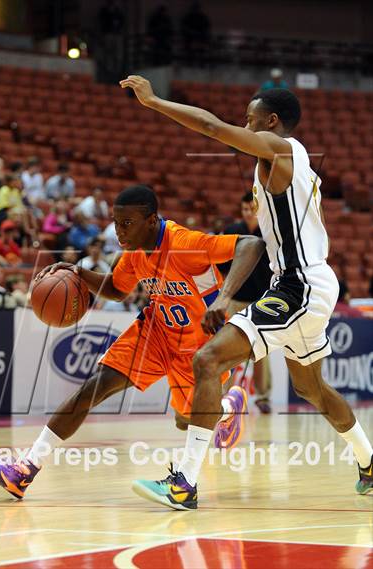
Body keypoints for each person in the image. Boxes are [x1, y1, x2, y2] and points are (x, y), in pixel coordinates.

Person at [119, 75, 373, 507]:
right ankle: (369, 462)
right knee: (313, 389)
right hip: (301, 283)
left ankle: (184, 482)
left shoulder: (284, 150)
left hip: (300, 284)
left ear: (272, 122)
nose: (244, 125)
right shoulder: (278, 165)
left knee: (207, 358)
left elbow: (213, 128)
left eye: (250, 120)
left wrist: (155, 101)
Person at [0, 185, 264, 499]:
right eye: (116, 223)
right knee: (95, 387)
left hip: (198, 342)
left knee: (188, 420)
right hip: (157, 332)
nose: (119, 231)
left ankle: (227, 409)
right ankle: (26, 468)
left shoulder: (185, 243)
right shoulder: (134, 254)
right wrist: (78, 273)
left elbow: (252, 245)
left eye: (127, 223)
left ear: (151, 220)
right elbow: (117, 289)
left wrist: (224, 300)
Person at [220, 192, 273, 413]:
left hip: (262, 302)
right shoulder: (232, 232)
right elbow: (221, 265)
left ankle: (263, 396)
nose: (248, 213)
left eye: (252, 208)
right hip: (234, 300)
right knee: (227, 350)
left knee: (261, 351)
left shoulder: (269, 233)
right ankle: (224, 398)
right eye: (244, 209)